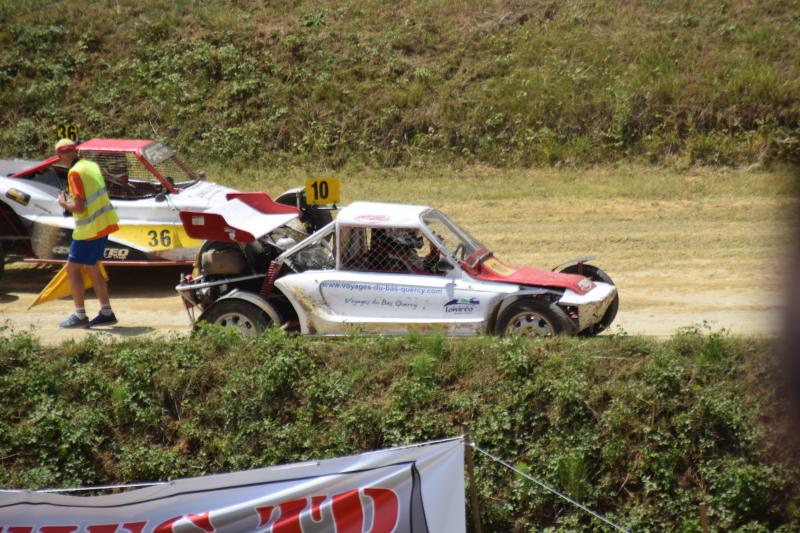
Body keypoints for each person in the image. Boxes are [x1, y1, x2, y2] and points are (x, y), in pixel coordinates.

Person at [55, 138, 120, 328]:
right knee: (92, 267)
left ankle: (80, 315)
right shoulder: (91, 165)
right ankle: (106, 313)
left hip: (89, 229)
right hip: (104, 224)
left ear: (60, 156)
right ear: (75, 151)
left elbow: (80, 207)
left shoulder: (74, 172)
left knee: (72, 269)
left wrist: (64, 203)